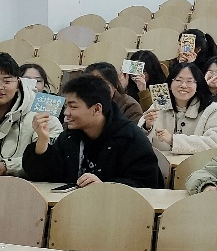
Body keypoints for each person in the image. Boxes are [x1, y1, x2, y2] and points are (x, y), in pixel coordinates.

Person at [23, 74, 163, 188]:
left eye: (73, 107)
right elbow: (44, 178)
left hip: (115, 210)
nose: (66, 113)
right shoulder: (69, 137)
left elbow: (147, 185)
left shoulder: (131, 138)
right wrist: (42, 140)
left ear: (97, 109)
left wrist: (105, 187)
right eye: (66, 106)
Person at [140, 62, 217, 156]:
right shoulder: (159, 105)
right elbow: (138, 143)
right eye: (178, 80)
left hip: (197, 163)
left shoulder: (211, 109)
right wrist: (147, 127)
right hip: (161, 163)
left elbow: (215, 144)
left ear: (197, 85)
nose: (184, 85)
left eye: (189, 81)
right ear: (170, 85)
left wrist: (173, 140)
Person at [0, 53, 64, 177]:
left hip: (27, 184)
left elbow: (51, 159)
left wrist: (7, 166)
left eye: (7, 81)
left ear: (18, 83)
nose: (0, 87)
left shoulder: (42, 112)